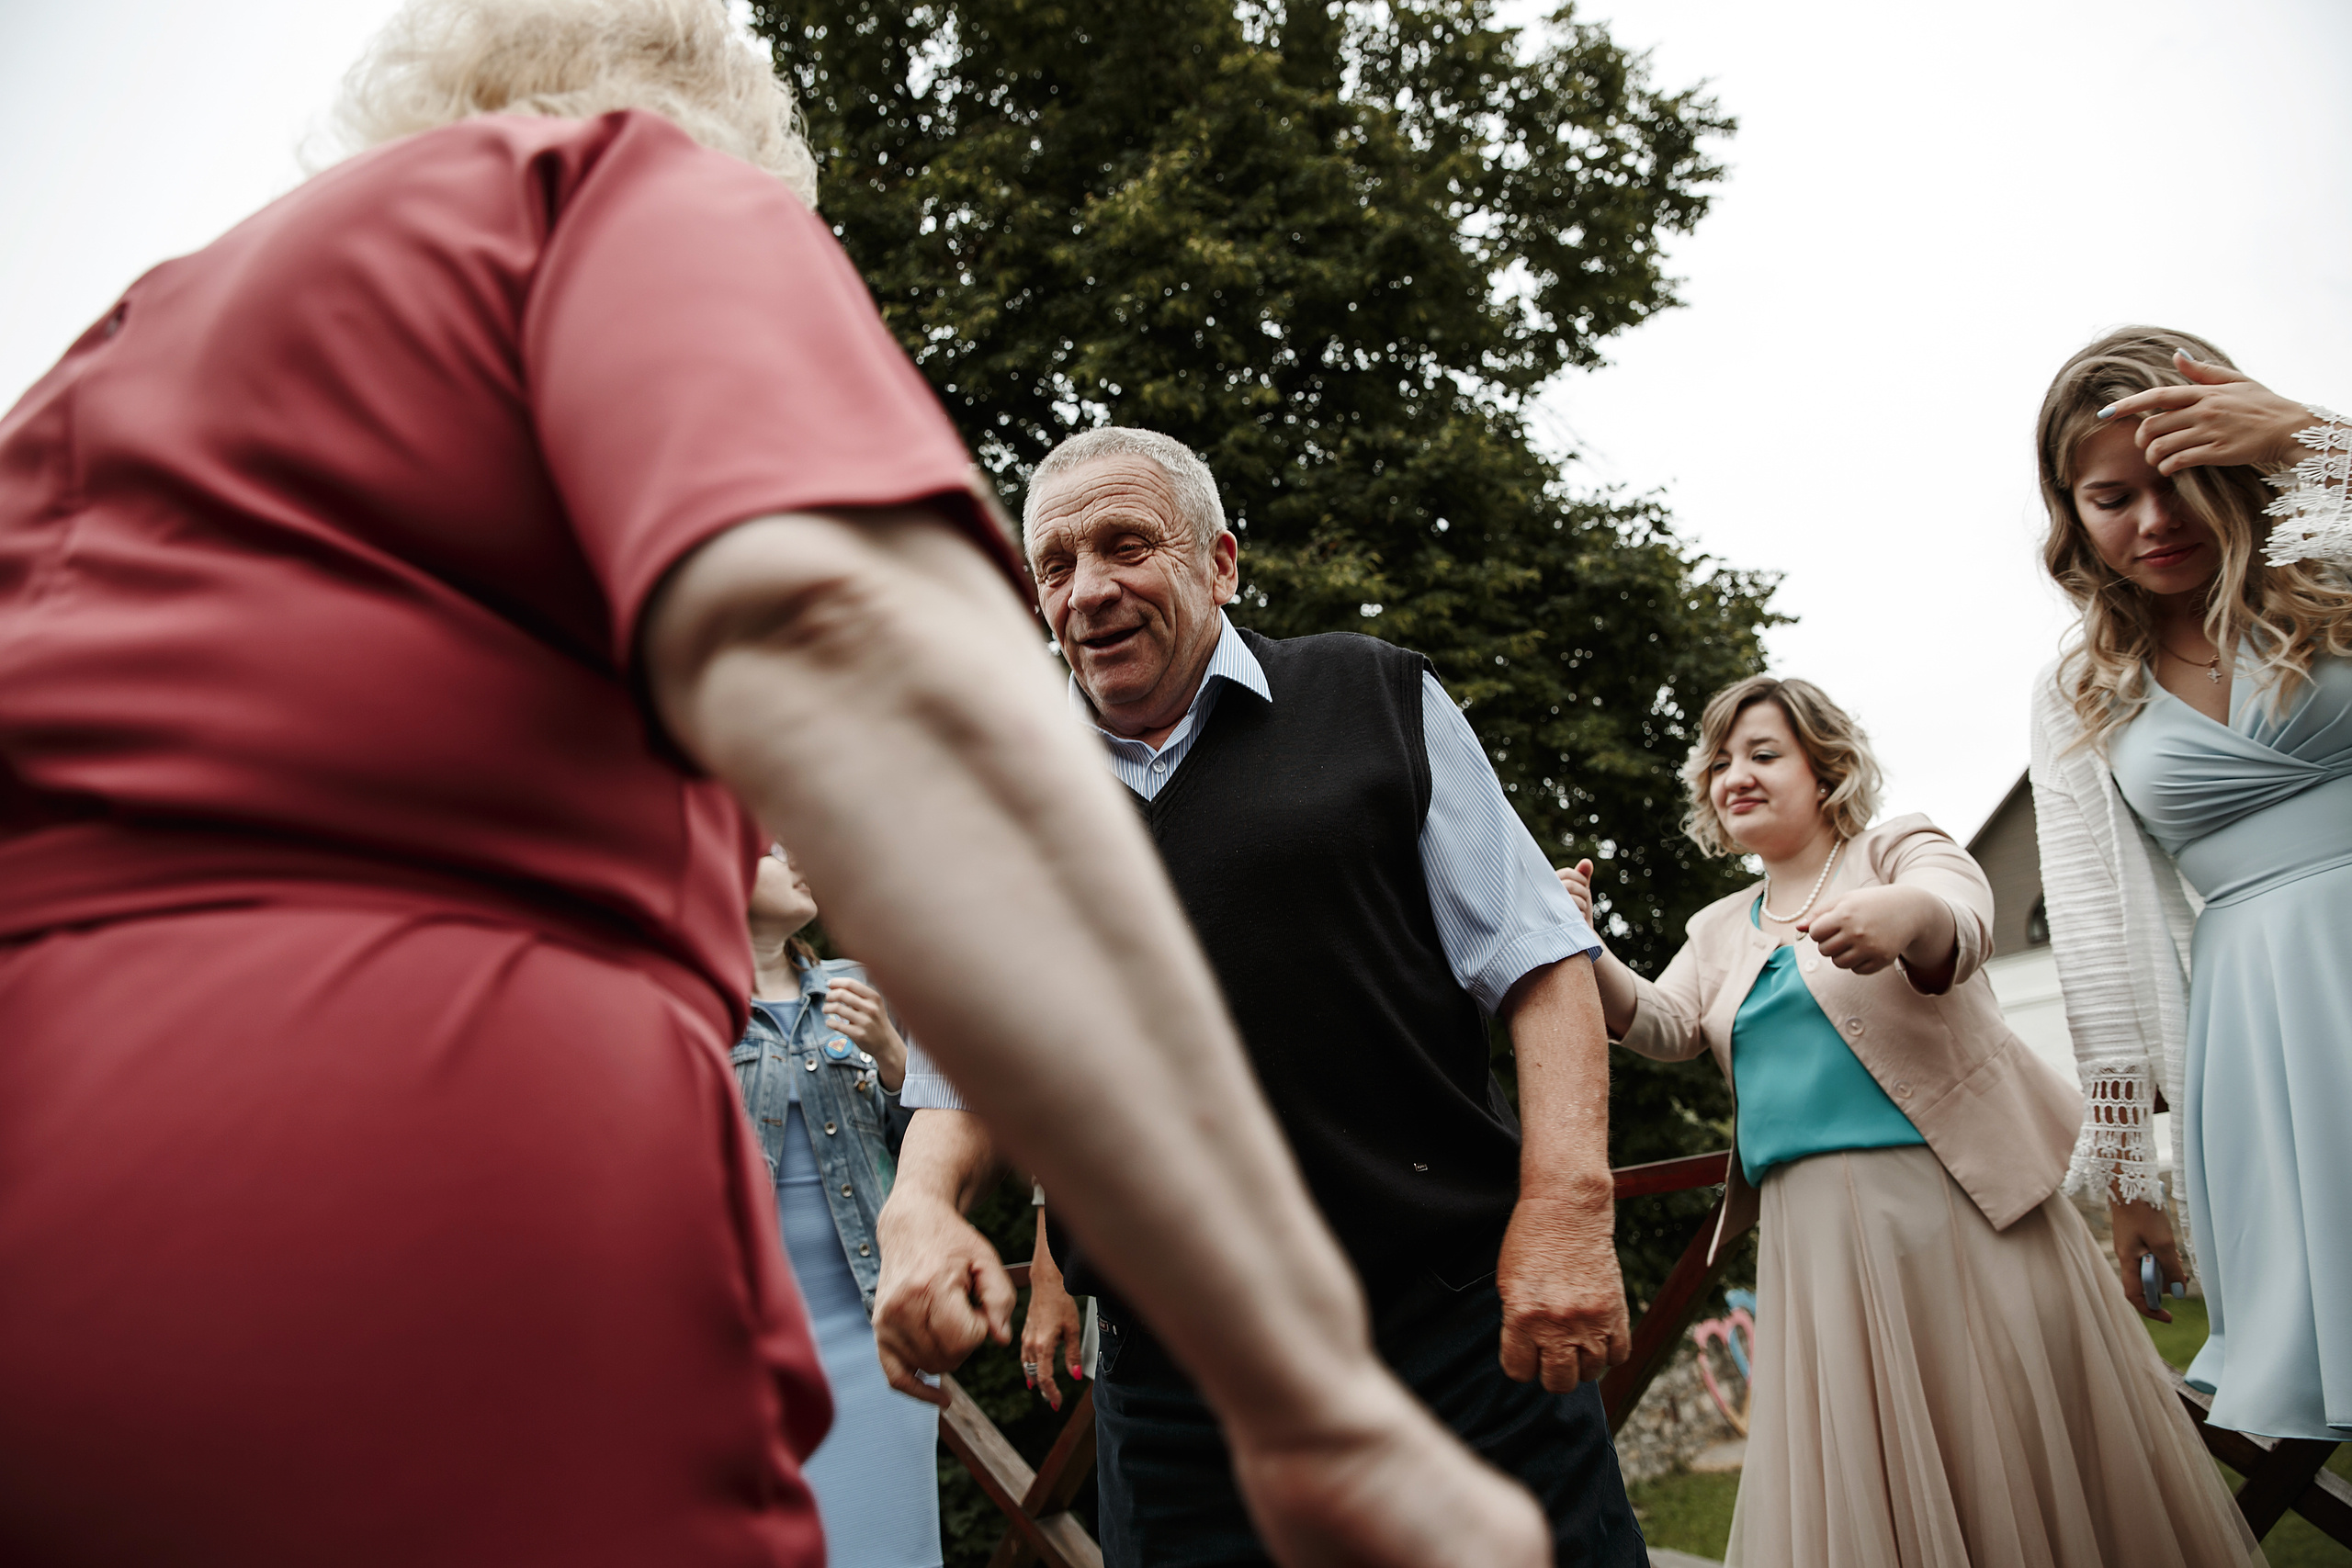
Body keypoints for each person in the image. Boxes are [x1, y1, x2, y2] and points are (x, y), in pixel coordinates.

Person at [0, 3, 1555, 1563]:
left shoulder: (111, 360)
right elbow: (894, 703)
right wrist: (1300, 1385)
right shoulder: (610, 187)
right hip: (434, 1219)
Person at [874, 427, 1648, 1567]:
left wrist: (1569, 1210)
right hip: (1178, 1396)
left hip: (1448, 1335)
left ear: (1221, 562)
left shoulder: (1375, 696)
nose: (1088, 591)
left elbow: (1541, 964)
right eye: (1053, 567)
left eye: (1125, 545)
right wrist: (920, 1205)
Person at [1559, 676, 2260, 1566]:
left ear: (1826, 768)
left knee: (2001, 1446)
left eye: (1763, 754)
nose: (1734, 773)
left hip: (1957, 1213)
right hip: (1813, 1240)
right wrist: (1583, 945)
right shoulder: (1716, 927)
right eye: (1720, 761)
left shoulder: (1895, 847)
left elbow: (1961, 921)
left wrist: (1904, 916)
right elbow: (1662, 1024)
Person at [2030, 325, 2352, 1443]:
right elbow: (2090, 937)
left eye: (2181, 479)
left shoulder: (2337, 566)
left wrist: (2315, 444)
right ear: (2070, 516)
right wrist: (2127, 1172)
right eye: (2112, 496)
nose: (2154, 520)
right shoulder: (2079, 689)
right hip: (2258, 1033)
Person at [739, 844, 936, 1567]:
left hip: (874, 1330)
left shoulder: (858, 989)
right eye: (773, 846)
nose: (800, 857)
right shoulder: (685, 1006)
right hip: (743, 1349)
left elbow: (933, 1156)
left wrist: (891, 1055)